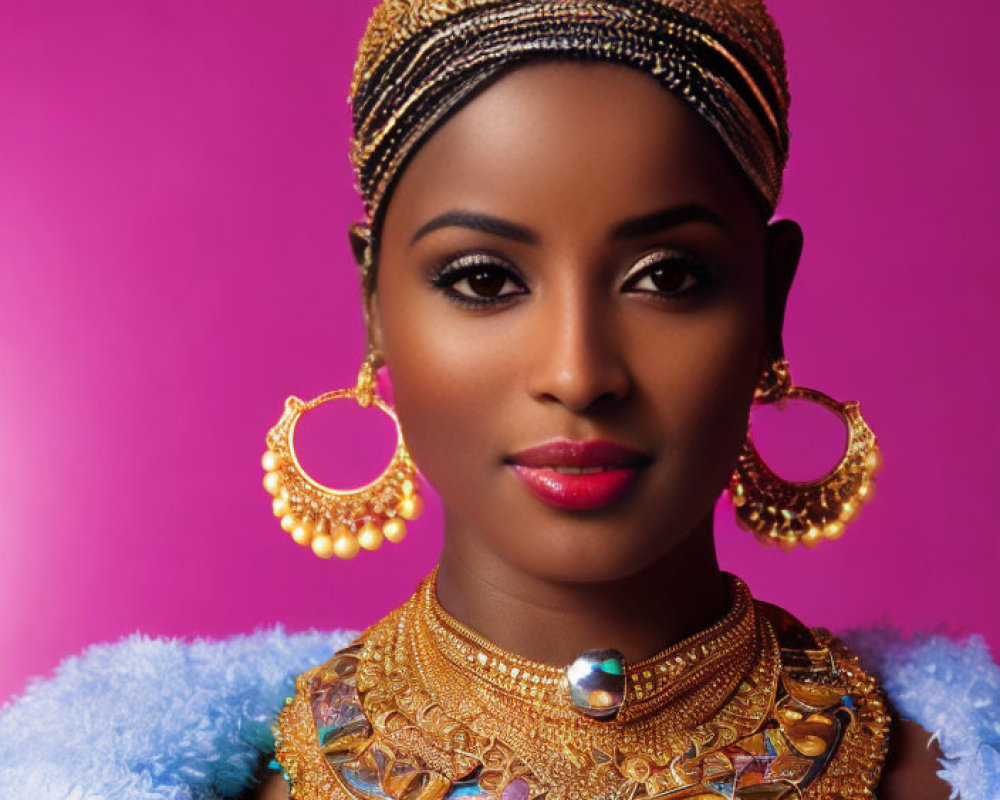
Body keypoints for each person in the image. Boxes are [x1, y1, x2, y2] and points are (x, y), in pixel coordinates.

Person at [1, 1, 997, 799]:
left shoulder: (941, 767)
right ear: (373, 305)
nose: (577, 370)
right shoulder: (144, 774)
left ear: (771, 301)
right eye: (482, 278)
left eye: (666, 274)